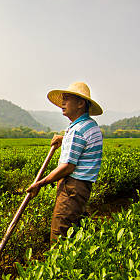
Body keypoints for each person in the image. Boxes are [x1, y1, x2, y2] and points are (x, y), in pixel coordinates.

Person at [26, 81, 103, 243]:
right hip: (83, 188)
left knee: (60, 234)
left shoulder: (76, 131)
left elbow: (67, 167)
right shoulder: (89, 125)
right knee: (74, 231)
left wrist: (40, 183)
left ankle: (58, 266)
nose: (62, 103)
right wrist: (64, 137)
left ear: (81, 103)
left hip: (72, 188)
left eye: (67, 99)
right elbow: (82, 142)